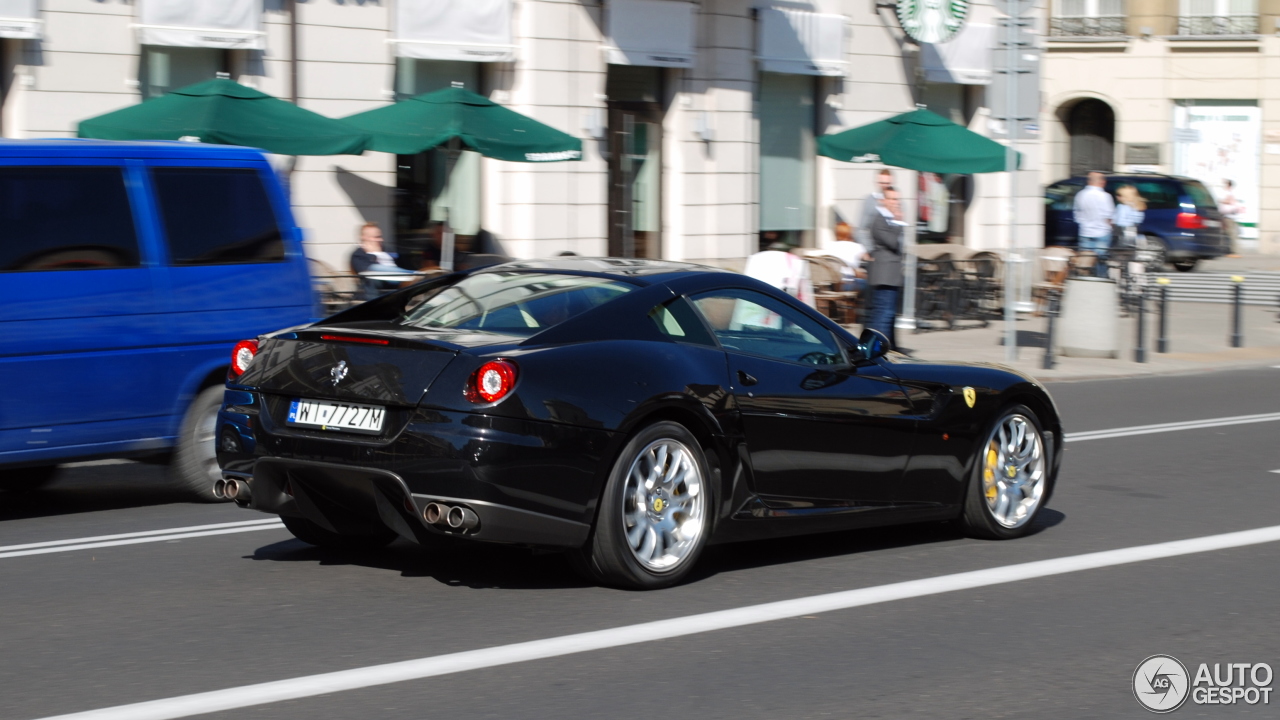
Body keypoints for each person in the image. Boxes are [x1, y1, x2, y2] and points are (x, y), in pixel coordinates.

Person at [866, 188, 905, 348]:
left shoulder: (887, 220)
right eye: (892, 199)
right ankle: (876, 349)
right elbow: (892, 242)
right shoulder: (879, 220)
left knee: (888, 315)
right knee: (883, 315)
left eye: (897, 199)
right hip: (884, 276)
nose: (896, 203)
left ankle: (889, 347)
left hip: (891, 275)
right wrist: (898, 223)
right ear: (884, 200)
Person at [349, 222, 416, 297]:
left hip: (396, 283)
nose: (381, 239)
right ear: (365, 238)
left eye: (380, 236)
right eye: (376, 237)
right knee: (374, 269)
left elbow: (403, 263)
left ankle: (413, 275)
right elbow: (366, 271)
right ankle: (414, 274)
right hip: (377, 285)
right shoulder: (359, 254)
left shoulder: (388, 250)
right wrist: (372, 254)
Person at [742, 241, 815, 308]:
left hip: (758, 300)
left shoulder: (759, 258)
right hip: (782, 300)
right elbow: (795, 287)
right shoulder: (793, 260)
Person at [1073, 171, 1115, 278]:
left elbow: (1077, 214)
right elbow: (1109, 216)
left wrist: (1084, 222)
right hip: (1102, 232)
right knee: (1101, 261)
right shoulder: (1105, 196)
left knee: (1085, 263)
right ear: (1102, 182)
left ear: (1089, 181)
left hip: (1085, 231)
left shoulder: (1080, 195)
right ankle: (1102, 283)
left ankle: (1084, 281)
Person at [825, 221, 869, 293]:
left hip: (832, 284)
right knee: (870, 282)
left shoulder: (828, 245)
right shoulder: (857, 247)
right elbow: (867, 259)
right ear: (850, 233)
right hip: (850, 284)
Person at [858, 168, 894, 247]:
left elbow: (903, 232)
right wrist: (870, 250)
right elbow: (861, 229)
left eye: (887, 183)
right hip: (875, 249)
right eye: (882, 183)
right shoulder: (870, 201)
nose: (884, 186)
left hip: (893, 251)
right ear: (876, 183)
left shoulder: (898, 202)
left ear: (892, 182)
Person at [1218, 179, 1245, 255]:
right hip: (1227, 216)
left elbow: (1229, 201)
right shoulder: (1231, 192)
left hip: (1228, 216)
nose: (1224, 186)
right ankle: (1228, 249)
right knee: (1227, 233)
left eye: (1225, 184)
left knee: (1230, 234)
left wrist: (1220, 201)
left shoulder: (1230, 192)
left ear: (1228, 185)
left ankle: (1234, 251)